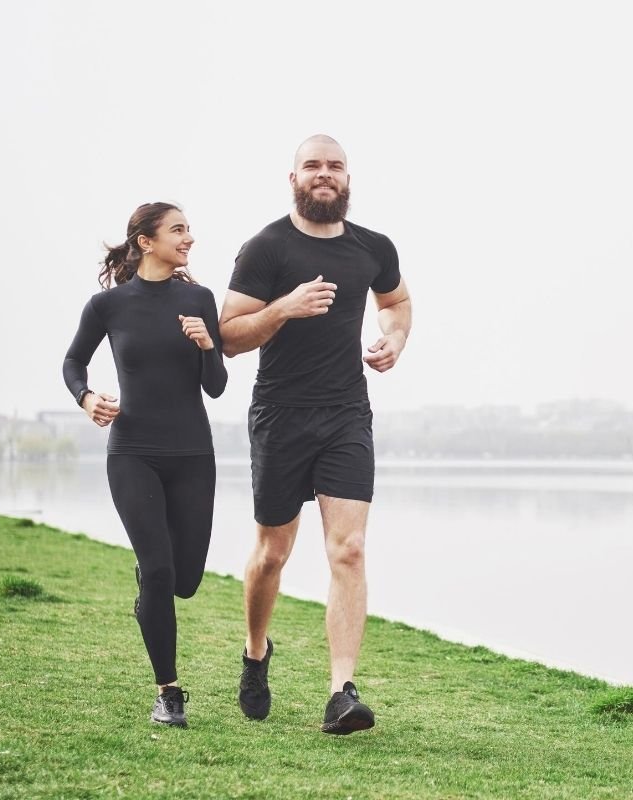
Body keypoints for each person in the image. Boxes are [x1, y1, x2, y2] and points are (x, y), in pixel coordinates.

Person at [220, 134, 411, 734]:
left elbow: (397, 301)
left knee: (348, 549)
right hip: (280, 414)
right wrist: (285, 308)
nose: (324, 174)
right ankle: (256, 654)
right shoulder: (266, 247)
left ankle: (341, 693)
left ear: (348, 178)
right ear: (293, 178)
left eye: (335, 166)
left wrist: (396, 338)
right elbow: (228, 335)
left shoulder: (372, 248)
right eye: (313, 166)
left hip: (346, 414)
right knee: (273, 553)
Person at [62, 202, 227, 728]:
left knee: (186, 579)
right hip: (132, 453)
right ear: (146, 241)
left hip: (193, 455)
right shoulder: (107, 306)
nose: (190, 239)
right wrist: (87, 398)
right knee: (158, 571)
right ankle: (169, 692)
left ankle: (152, 584)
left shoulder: (199, 299)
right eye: (179, 230)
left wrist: (206, 345)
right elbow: (72, 361)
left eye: (189, 230)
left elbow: (217, 386)